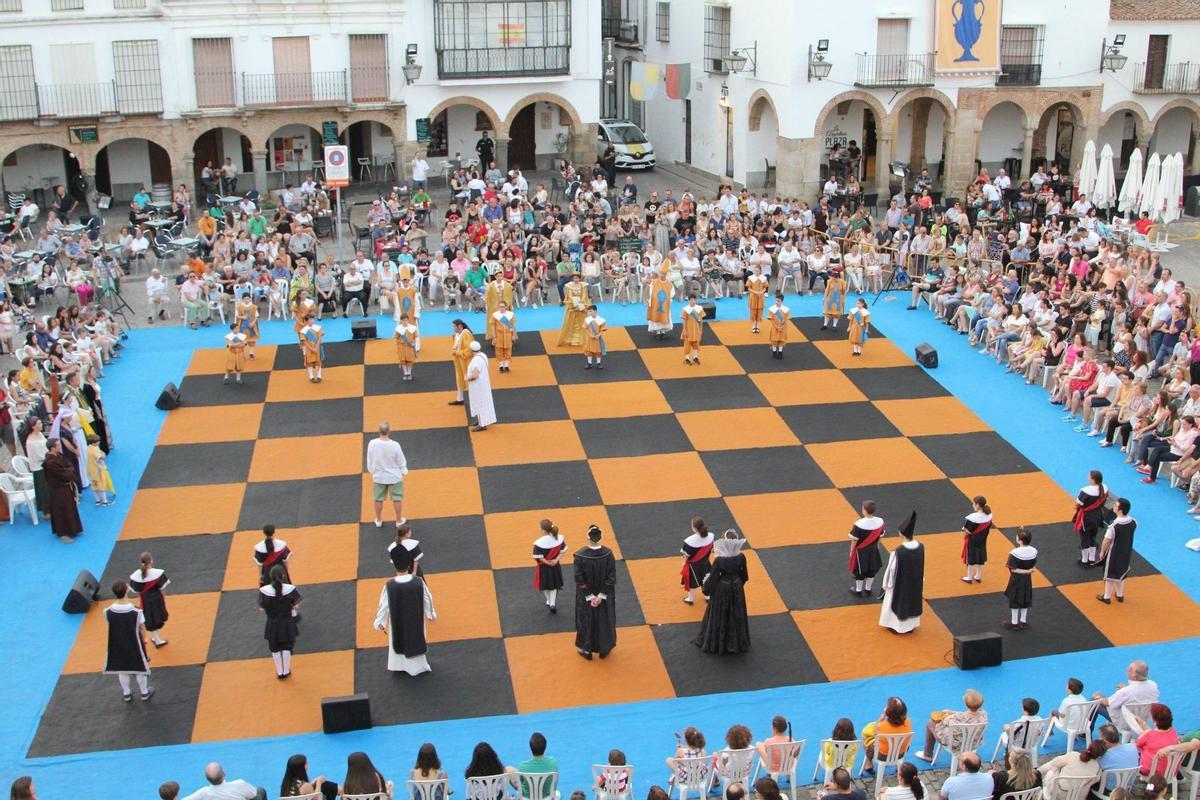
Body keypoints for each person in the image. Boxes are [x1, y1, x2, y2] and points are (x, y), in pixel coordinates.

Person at [373, 558, 436, 675]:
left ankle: (398, 666)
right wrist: (430, 614)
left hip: (397, 620)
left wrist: (380, 622)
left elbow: (383, 606)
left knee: (398, 640)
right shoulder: (418, 581)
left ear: (395, 568)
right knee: (416, 639)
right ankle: (418, 667)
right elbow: (427, 598)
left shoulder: (389, 585)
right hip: (415, 618)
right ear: (409, 566)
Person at [693, 530, 751, 654]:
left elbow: (713, 578)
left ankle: (721, 643)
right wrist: (737, 584)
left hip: (722, 589)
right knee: (736, 614)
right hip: (737, 588)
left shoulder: (719, 560)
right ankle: (736, 642)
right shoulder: (741, 557)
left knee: (720, 614)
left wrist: (706, 589)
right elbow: (745, 576)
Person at [104, 580, 154, 702]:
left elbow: (111, 624)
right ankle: (144, 692)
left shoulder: (107, 611)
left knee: (122, 669)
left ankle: (126, 693)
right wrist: (145, 639)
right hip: (134, 643)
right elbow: (142, 627)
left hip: (117, 643)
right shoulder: (136, 611)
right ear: (126, 591)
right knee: (140, 668)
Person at [574, 524, 617, 660]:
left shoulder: (580, 555)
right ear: (601, 536)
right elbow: (611, 578)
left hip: (585, 597)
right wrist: (601, 596)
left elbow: (579, 579)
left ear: (588, 537)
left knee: (586, 621)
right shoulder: (608, 554)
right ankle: (604, 649)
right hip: (605, 597)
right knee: (605, 620)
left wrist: (590, 596)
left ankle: (586, 650)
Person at [915, 689, 988, 763]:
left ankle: (927, 755)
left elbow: (944, 722)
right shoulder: (984, 715)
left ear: (965, 704)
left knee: (930, 723)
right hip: (973, 743)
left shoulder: (955, 718)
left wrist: (943, 716)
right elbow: (968, 715)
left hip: (955, 745)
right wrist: (951, 712)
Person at [879, 512, 923, 633]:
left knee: (898, 603)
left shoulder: (898, 552)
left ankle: (897, 627)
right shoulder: (921, 547)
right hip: (915, 582)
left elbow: (891, 570)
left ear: (901, 534)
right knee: (912, 602)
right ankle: (910, 626)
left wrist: (887, 585)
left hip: (900, 583)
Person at [1091, 660, 1159, 737]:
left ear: (1135, 675)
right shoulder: (1153, 685)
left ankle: (1085, 733)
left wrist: (1098, 696)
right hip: (1144, 718)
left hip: (1125, 721)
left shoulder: (1125, 692)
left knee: (1094, 703)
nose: (1127, 670)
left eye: (1130, 669)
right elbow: (1139, 692)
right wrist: (1127, 687)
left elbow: (1108, 703)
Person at [259, 564, 300, 679]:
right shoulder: (290, 589)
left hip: (272, 624)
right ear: (283, 576)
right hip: (287, 623)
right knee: (287, 647)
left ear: (270, 577)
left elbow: (262, 608)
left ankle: (279, 672)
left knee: (275, 648)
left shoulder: (264, 591)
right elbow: (296, 606)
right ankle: (286, 671)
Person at [367, 422, 408, 528]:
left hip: (379, 476)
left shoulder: (372, 443)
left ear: (379, 431)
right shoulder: (395, 445)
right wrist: (404, 471)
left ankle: (378, 520)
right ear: (389, 431)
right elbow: (401, 460)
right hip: (394, 476)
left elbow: (370, 459)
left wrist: (372, 470)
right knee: (397, 499)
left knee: (378, 499)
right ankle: (398, 520)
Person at [1097, 497, 1135, 604]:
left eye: (1115, 505)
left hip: (1113, 553)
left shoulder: (1114, 526)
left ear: (1120, 510)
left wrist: (1102, 552)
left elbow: (1106, 541)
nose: (1113, 506)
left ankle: (1106, 597)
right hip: (1126, 552)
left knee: (1110, 575)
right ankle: (1120, 595)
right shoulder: (1133, 522)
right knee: (1122, 572)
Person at [44, 437, 82, 542]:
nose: (60, 446)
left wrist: (69, 470)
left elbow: (69, 465)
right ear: (52, 448)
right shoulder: (50, 462)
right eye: (58, 445)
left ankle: (73, 529)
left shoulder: (59, 455)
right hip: (58, 490)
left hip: (65, 487)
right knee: (61, 510)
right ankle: (63, 533)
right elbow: (64, 474)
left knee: (69, 508)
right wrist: (69, 471)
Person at [1037, 741, 1105, 800]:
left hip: (1057, 794)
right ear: (1100, 755)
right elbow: (1096, 780)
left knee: (1054, 769)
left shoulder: (1073, 755)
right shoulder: (1097, 768)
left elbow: (1055, 763)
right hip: (1077, 796)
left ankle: (1037, 773)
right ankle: (1037, 773)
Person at [128, 551, 169, 648]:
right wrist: (163, 598)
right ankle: (157, 641)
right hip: (157, 599)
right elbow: (162, 588)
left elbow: (135, 589)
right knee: (157, 618)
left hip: (145, 600)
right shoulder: (158, 573)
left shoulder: (136, 575)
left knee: (151, 619)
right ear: (151, 561)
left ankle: (155, 638)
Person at [862, 697, 911, 770]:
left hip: (883, 756)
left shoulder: (881, 726)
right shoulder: (908, 721)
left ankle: (869, 763)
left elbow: (871, 731)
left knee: (866, 736)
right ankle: (897, 765)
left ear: (888, 712)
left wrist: (882, 716)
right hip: (901, 753)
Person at [848, 501, 884, 597]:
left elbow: (854, 540)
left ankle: (858, 591)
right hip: (873, 549)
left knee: (859, 571)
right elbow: (880, 536)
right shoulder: (880, 521)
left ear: (864, 510)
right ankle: (868, 589)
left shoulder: (858, 524)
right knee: (872, 570)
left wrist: (851, 551)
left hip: (861, 552)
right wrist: (877, 546)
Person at [1004, 528, 1038, 630]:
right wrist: (1028, 571)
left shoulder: (1014, 553)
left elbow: (1013, 569)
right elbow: (1033, 564)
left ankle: (1014, 623)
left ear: (1019, 540)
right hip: (1027, 579)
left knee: (1015, 600)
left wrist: (1026, 571)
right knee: (1026, 598)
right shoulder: (1034, 551)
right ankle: (1023, 621)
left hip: (1016, 580)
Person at [1072, 469, 1108, 565]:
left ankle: (1084, 560)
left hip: (1086, 518)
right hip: (1098, 516)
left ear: (1093, 479)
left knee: (1084, 537)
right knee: (1093, 536)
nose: (1088, 478)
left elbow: (1079, 504)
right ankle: (1092, 558)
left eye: (1089, 477)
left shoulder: (1085, 491)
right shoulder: (1104, 488)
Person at [533, 519, 566, 613]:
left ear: (543, 530)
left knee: (545, 586)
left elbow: (538, 557)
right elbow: (563, 551)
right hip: (555, 566)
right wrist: (555, 560)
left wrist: (548, 563)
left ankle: (549, 601)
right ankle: (553, 603)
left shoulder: (539, 543)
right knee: (554, 585)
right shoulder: (559, 538)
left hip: (544, 568)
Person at [680, 517, 714, 605]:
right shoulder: (711, 536)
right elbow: (711, 549)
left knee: (693, 583)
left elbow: (686, 555)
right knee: (706, 579)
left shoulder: (689, 541)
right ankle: (707, 597)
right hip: (705, 562)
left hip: (693, 566)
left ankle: (690, 599)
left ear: (694, 528)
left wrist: (684, 563)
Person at [180, 764, 262, 800]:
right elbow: (253, 795)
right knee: (261, 791)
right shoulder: (240, 784)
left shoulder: (204, 793)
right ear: (224, 773)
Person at [961, 496, 993, 584]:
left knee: (970, 559)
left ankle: (969, 577)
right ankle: (978, 576)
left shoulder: (973, 518)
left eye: (973, 504)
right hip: (983, 540)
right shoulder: (989, 515)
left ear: (978, 505)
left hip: (972, 541)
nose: (973, 505)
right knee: (981, 558)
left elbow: (967, 531)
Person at [466, 341, 497, 432]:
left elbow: (475, 375)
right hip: (483, 384)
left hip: (478, 386)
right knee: (483, 402)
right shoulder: (483, 355)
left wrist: (467, 378)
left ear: (471, 350)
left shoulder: (476, 360)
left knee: (479, 403)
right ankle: (481, 420)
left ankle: (482, 424)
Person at [559, 273, 588, 347]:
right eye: (574, 278)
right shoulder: (570, 286)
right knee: (571, 321)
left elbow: (584, 295)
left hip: (581, 303)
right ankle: (570, 339)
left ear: (579, 279)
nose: (575, 280)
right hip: (572, 303)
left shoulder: (583, 285)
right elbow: (570, 295)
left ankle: (583, 339)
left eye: (577, 278)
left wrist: (581, 301)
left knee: (582, 320)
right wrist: (575, 301)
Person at [450, 319, 474, 406]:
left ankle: (475, 400)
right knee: (460, 379)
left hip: (466, 362)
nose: (453, 328)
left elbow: (468, 352)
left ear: (459, 326)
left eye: (454, 326)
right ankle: (459, 398)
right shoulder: (458, 335)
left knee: (470, 380)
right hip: (460, 361)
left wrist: (456, 352)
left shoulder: (467, 335)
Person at [646, 265, 674, 340]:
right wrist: (651, 300)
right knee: (656, 315)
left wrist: (668, 299)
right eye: (661, 273)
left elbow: (672, 293)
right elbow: (651, 292)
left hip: (665, 303)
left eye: (663, 274)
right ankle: (658, 331)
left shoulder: (669, 284)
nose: (661, 275)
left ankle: (663, 331)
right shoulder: (654, 282)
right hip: (655, 303)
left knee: (664, 316)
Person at [86, 433, 114, 506]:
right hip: (98, 470)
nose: (99, 442)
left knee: (94, 485)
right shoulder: (94, 450)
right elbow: (101, 457)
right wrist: (103, 454)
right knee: (101, 485)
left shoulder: (88, 448)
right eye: (98, 441)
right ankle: (104, 501)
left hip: (90, 470)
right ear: (94, 443)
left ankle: (97, 500)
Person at [492, 300, 516, 373]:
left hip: (508, 336)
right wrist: (494, 337)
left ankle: (506, 366)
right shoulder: (495, 315)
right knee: (499, 351)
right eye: (500, 307)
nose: (501, 308)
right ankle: (501, 366)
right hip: (499, 336)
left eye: (503, 307)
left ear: (506, 307)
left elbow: (513, 326)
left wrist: (513, 335)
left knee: (508, 351)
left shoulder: (511, 315)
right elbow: (493, 327)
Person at [395, 313, 420, 381]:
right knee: (402, 360)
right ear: (401, 321)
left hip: (410, 347)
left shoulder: (413, 328)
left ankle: (409, 373)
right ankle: (405, 373)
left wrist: (416, 347)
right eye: (403, 320)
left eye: (406, 320)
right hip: (401, 347)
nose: (404, 322)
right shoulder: (398, 329)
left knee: (410, 360)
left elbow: (416, 338)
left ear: (408, 320)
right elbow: (396, 338)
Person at [765, 293, 791, 360]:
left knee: (781, 340)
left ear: (782, 301)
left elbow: (787, 319)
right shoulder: (772, 309)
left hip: (783, 328)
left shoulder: (786, 309)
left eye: (778, 301)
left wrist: (782, 326)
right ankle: (774, 352)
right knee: (774, 340)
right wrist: (776, 327)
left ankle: (780, 352)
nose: (777, 302)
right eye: (776, 300)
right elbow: (770, 319)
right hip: (775, 327)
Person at [299, 315, 323, 383]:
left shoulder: (318, 328)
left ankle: (319, 376)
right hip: (308, 349)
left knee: (318, 362)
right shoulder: (303, 331)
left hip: (317, 348)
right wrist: (312, 349)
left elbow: (320, 338)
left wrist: (316, 347)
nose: (312, 321)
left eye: (313, 319)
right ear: (306, 321)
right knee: (309, 362)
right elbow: (304, 341)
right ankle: (311, 376)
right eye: (310, 319)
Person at [234, 293, 259, 360]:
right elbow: (237, 316)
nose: (246, 300)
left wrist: (253, 323)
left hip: (251, 326)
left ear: (250, 299)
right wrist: (242, 317)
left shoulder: (254, 307)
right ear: (242, 299)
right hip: (242, 326)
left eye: (248, 299)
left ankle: (251, 353)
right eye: (245, 299)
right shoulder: (239, 306)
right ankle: (242, 353)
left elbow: (256, 316)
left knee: (251, 340)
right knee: (242, 340)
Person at [681, 294, 704, 365]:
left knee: (696, 344)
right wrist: (684, 330)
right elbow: (684, 321)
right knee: (687, 344)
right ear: (688, 301)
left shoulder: (699, 308)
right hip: (688, 330)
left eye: (694, 300)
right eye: (691, 300)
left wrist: (701, 330)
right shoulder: (685, 309)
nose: (693, 301)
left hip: (696, 330)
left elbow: (701, 320)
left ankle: (695, 357)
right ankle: (687, 358)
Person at [747, 265, 768, 333]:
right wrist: (755, 292)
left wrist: (762, 292)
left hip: (760, 296)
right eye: (755, 271)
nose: (756, 272)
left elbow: (765, 287)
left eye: (758, 271)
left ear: (760, 271)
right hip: (753, 296)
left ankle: (757, 325)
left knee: (759, 310)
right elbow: (748, 288)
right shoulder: (751, 278)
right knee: (753, 310)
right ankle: (753, 325)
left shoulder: (763, 278)